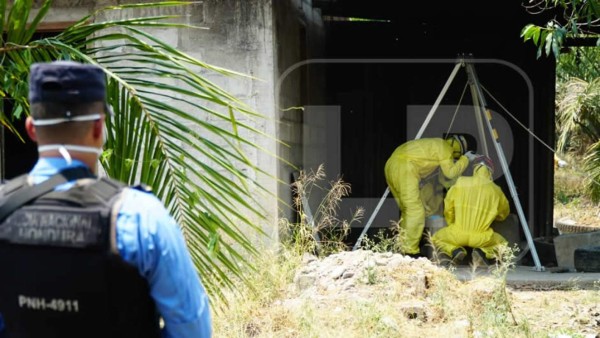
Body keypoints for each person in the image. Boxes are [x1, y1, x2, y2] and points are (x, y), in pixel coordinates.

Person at [0, 61, 211, 337]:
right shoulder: (140, 216)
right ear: (99, 128)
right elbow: (192, 329)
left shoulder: (4, 209)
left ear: (31, 128)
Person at [384, 135, 477, 256]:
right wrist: (465, 159)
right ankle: (409, 252)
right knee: (415, 211)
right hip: (406, 169)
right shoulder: (446, 149)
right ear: (459, 149)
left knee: (407, 210)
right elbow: (450, 173)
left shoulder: (435, 144)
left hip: (391, 165)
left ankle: (401, 247)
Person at [431, 155, 510, 266]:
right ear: (490, 172)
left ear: (474, 169)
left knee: (435, 238)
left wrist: (452, 223)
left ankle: (455, 251)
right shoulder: (496, 190)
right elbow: (503, 214)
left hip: (456, 234)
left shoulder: (460, 182)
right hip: (482, 237)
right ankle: (482, 252)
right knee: (503, 244)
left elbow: (448, 208)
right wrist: (491, 216)